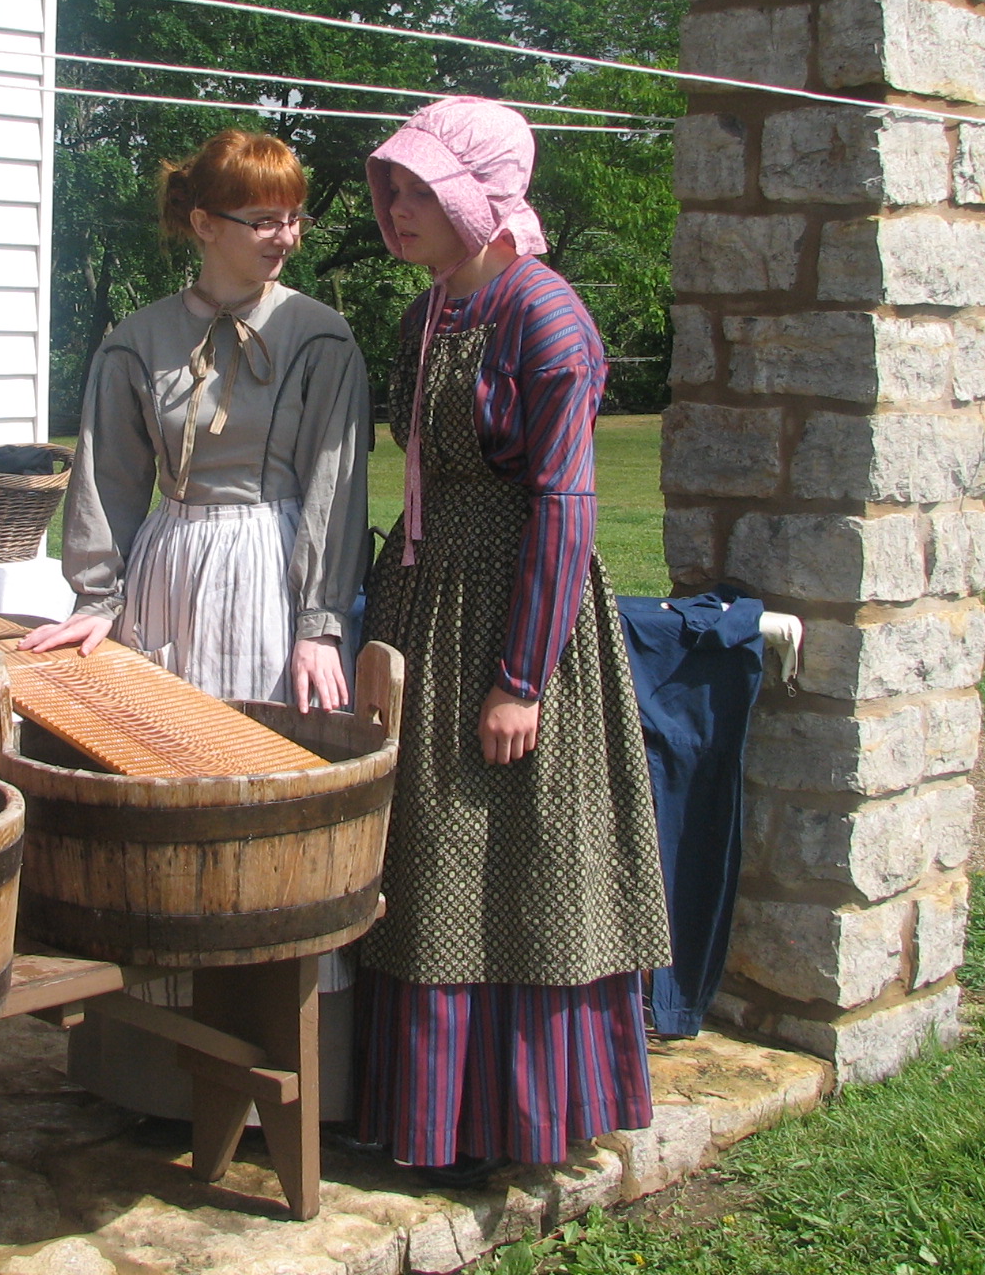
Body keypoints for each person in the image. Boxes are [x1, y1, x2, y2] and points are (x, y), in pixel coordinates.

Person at [22, 128, 371, 1120]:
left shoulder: (319, 338)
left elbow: (337, 487)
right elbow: (106, 480)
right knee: (160, 806)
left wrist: (317, 622)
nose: (285, 237)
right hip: (166, 571)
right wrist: (95, 602)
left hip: (267, 571)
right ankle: (151, 1076)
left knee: (259, 808)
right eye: (263, 219)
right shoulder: (137, 340)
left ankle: (278, 1077)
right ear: (204, 223)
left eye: (294, 216)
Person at [354, 98, 670, 1184]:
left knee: (514, 858)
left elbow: (563, 509)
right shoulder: (426, 317)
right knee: (428, 853)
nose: (395, 208)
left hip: (512, 618)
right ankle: (426, 1113)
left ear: (473, 196)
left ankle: (518, 1117)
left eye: (416, 189)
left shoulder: (544, 316)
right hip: (424, 606)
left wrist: (519, 677)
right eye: (389, 187)